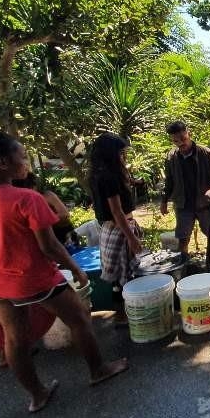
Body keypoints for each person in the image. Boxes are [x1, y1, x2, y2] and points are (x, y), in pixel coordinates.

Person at [0, 121, 127, 412]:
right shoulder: (27, 198)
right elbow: (49, 246)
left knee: (14, 339)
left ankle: (37, 395)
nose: (25, 163)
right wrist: (75, 268)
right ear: (2, 162)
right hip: (33, 278)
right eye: (21, 157)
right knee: (79, 319)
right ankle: (98, 370)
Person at [88, 133, 142, 326]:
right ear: (111, 154)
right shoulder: (110, 177)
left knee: (117, 278)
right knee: (124, 276)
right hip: (119, 228)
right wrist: (132, 238)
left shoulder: (97, 174)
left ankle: (121, 314)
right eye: (120, 153)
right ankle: (125, 315)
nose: (123, 157)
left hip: (108, 229)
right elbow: (117, 211)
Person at [160, 121, 210, 262]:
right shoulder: (171, 157)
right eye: (176, 141)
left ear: (189, 134)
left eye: (183, 139)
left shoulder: (206, 153)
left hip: (204, 203)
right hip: (183, 205)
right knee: (183, 238)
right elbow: (169, 181)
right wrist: (164, 201)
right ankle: (184, 266)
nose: (180, 143)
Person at [13, 173, 76, 246]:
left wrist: (42, 222)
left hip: (63, 233)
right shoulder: (22, 202)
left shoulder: (47, 195)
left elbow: (65, 215)